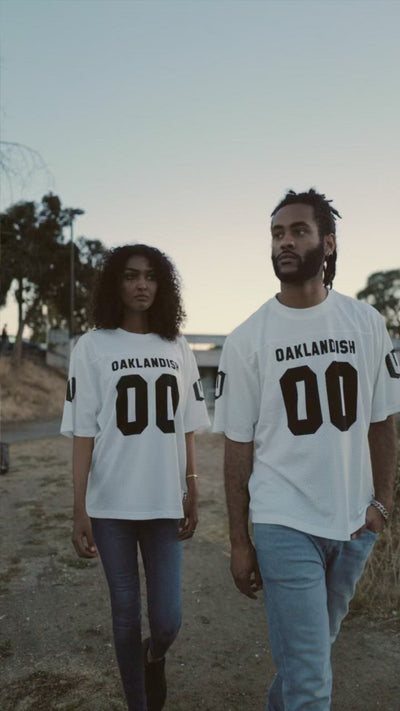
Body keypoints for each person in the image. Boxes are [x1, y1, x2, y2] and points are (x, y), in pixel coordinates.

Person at [213, 189, 400, 710]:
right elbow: (237, 446)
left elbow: (382, 422)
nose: (285, 242)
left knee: (307, 662)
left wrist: (381, 504)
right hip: (283, 521)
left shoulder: (366, 323)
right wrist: (239, 540)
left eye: (298, 231)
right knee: (313, 682)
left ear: (329, 243)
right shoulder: (248, 338)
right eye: (277, 234)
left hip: (354, 524)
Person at [61, 244, 209, 711]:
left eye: (150, 276)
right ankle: (137, 704)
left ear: (161, 285)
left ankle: (154, 656)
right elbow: (83, 432)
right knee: (125, 616)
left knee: (167, 619)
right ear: (115, 284)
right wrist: (78, 506)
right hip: (110, 504)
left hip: (164, 500)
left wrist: (192, 482)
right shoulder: (91, 347)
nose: (141, 284)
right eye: (130, 276)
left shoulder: (177, 346)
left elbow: (187, 424)